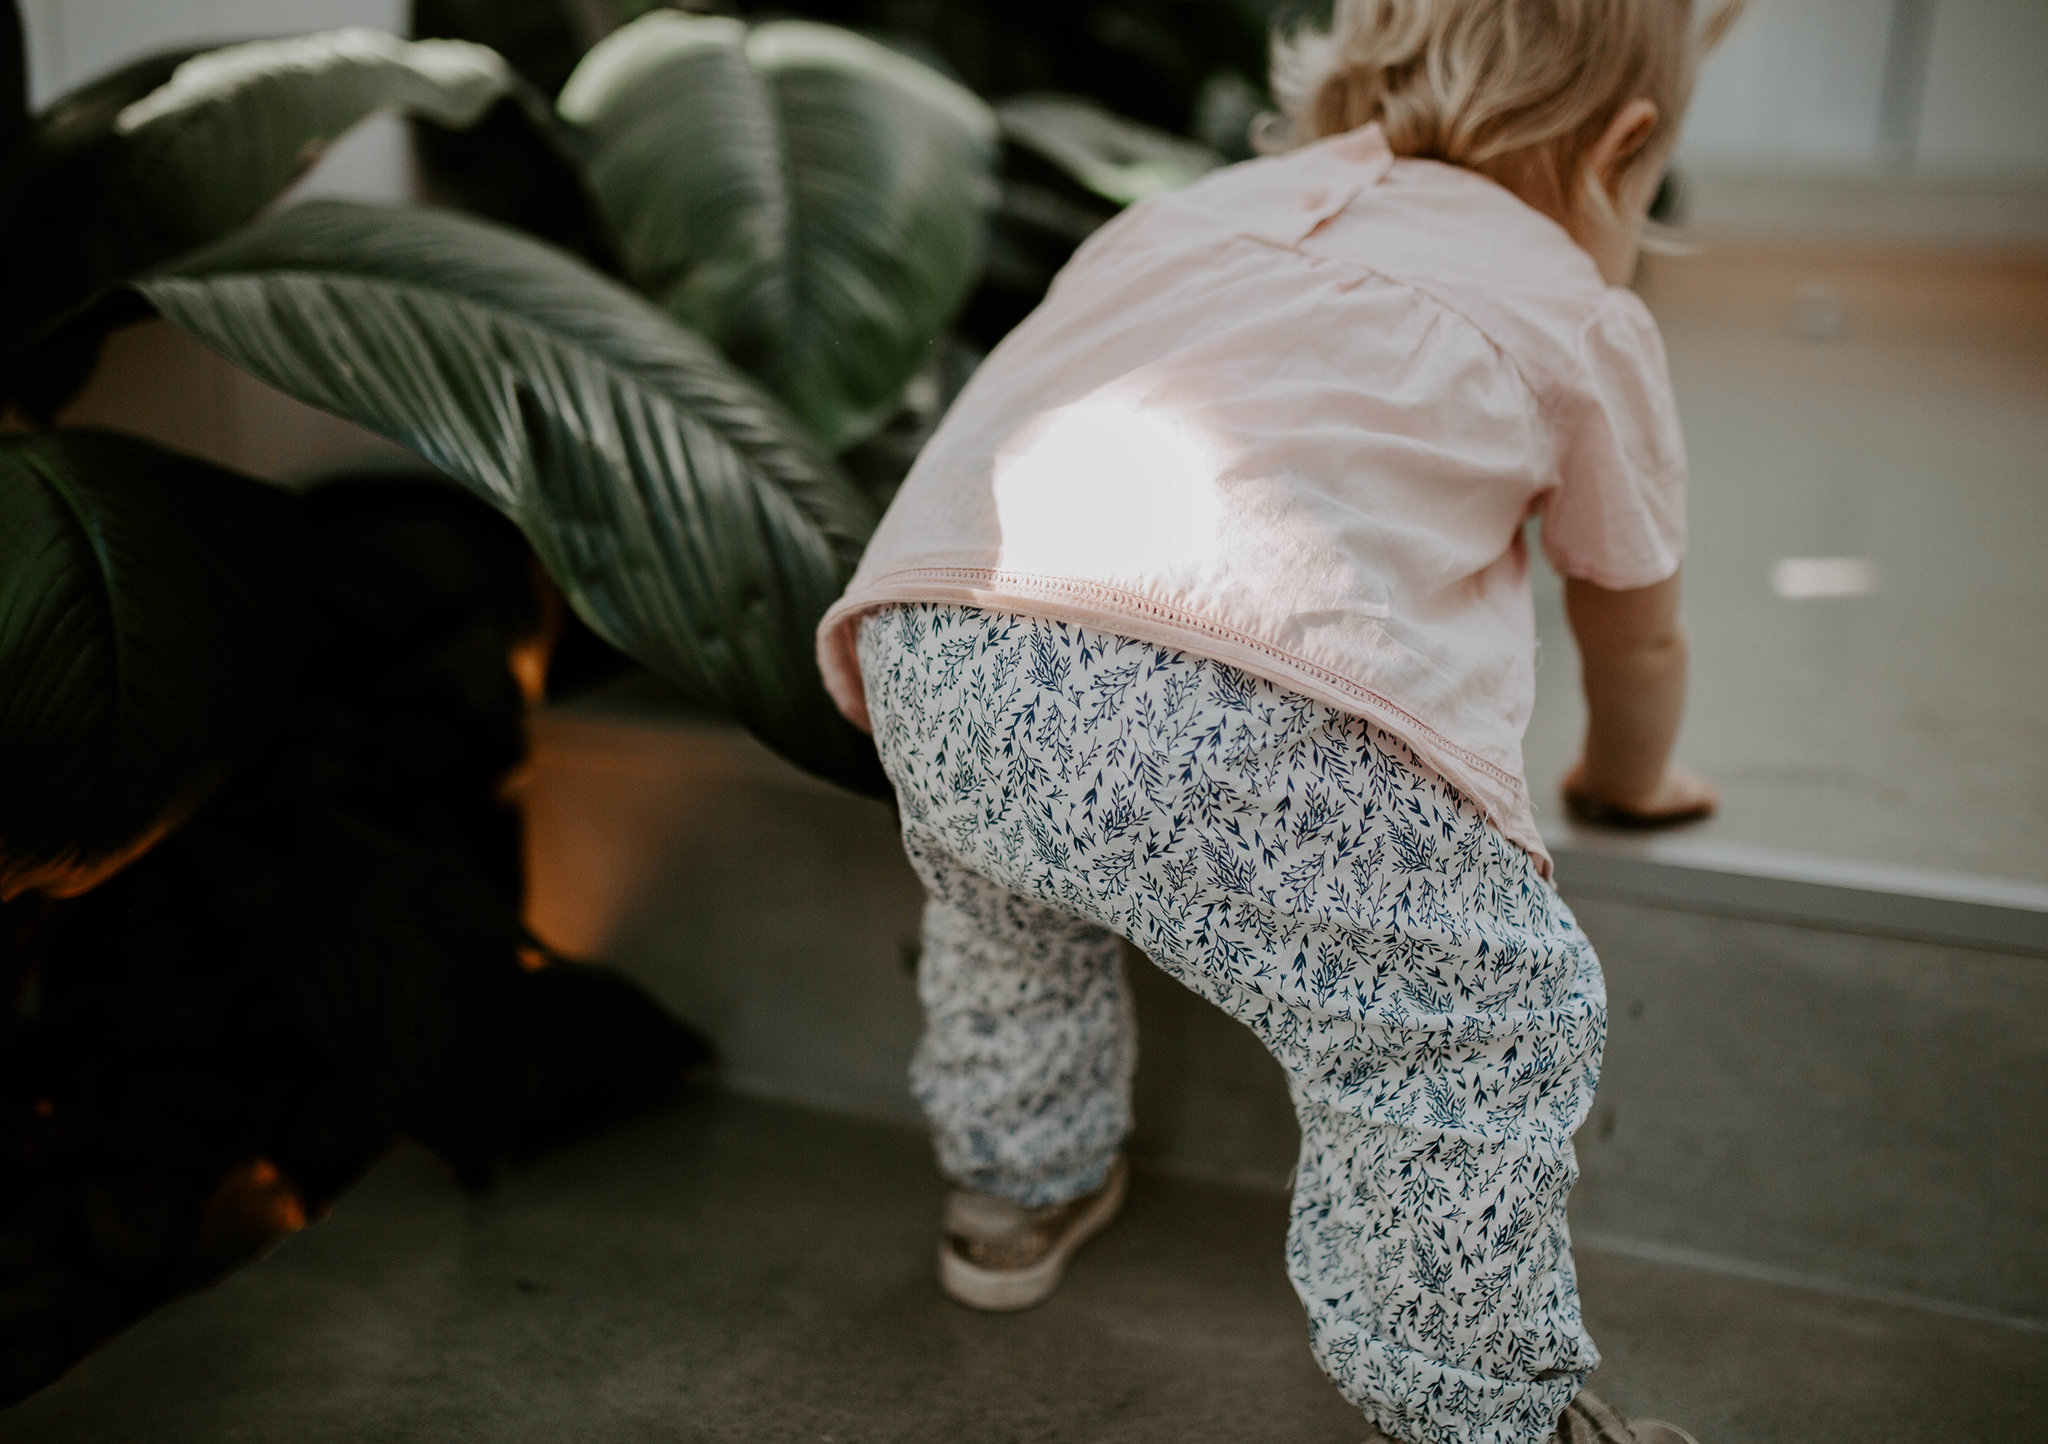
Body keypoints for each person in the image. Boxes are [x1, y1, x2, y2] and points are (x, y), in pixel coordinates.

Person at [815, 1, 1742, 1440]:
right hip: (1227, 714)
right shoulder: (1577, 307)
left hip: (942, 650)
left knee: (1011, 905)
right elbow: (1637, 627)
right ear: (1628, 150)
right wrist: (1630, 777)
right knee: (1471, 1021)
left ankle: (1014, 1187)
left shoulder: (1180, 218)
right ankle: (1476, 1400)